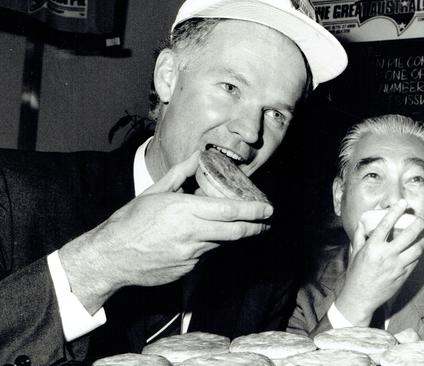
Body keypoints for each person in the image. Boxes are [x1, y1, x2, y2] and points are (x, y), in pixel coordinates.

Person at [0, 0, 347, 364]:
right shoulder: (15, 195)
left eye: (276, 113)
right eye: (230, 87)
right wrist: (99, 263)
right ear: (168, 77)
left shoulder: (269, 264)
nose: (249, 131)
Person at [288, 114, 424, 340]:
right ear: (339, 197)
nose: (395, 199)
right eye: (373, 175)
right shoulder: (289, 289)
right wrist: (355, 303)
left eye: (415, 179)